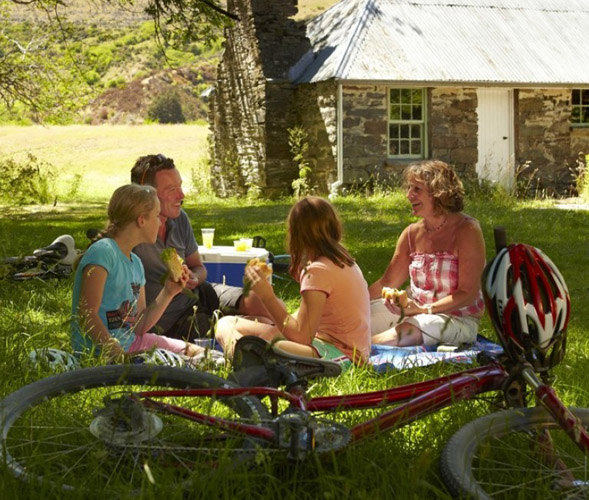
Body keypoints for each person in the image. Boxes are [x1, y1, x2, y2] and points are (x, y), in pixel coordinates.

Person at [130, 154, 276, 340]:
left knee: (260, 301)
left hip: (200, 294)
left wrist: (194, 277)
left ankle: (292, 341)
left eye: (180, 186)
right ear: (146, 193)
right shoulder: (134, 233)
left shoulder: (179, 218)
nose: (181, 195)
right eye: (171, 189)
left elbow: (199, 268)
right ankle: (288, 348)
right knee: (253, 329)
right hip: (172, 320)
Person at [215, 196, 371, 367]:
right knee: (256, 322)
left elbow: (302, 337)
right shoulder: (344, 260)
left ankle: (247, 364)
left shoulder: (317, 271)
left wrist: (268, 296)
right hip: (352, 351)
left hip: (337, 357)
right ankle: (248, 358)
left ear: (297, 235)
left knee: (225, 324)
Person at [71, 184, 207, 361]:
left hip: (132, 344)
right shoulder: (103, 252)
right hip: (99, 354)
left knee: (203, 356)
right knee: (184, 364)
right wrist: (120, 357)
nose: (160, 222)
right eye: (157, 216)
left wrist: (168, 292)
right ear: (141, 220)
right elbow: (87, 314)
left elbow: (139, 326)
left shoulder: (136, 264)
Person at [369, 160, 485, 347]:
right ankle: (335, 347)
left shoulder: (467, 230)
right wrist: (352, 301)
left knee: (406, 331)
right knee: (359, 316)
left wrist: (425, 309)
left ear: (439, 193)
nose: (408, 195)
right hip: (413, 310)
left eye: (417, 189)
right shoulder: (411, 233)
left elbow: (468, 293)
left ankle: (352, 352)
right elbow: (387, 282)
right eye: (409, 188)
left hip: (456, 319)